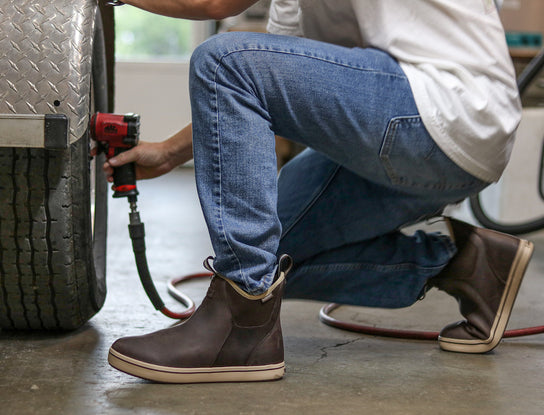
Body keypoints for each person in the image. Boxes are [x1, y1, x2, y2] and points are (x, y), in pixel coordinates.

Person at [104, 0, 534, 383]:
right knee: (276, 253)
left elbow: (218, 10)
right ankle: (468, 266)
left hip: (443, 108)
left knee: (222, 60)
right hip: (434, 134)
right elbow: (260, 84)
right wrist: (168, 154)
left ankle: (241, 317)